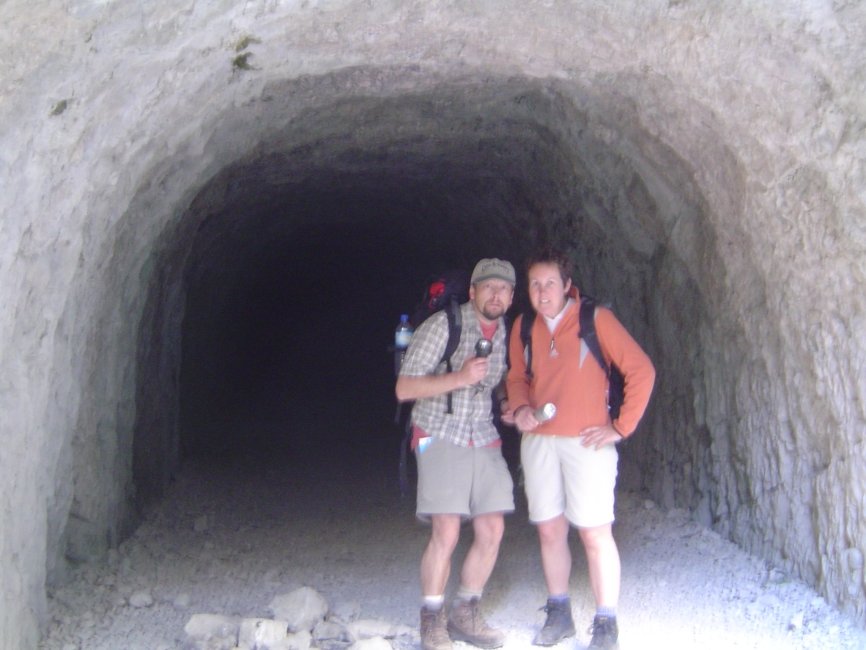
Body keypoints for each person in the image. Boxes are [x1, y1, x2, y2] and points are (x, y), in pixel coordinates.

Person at [504, 248, 655, 649]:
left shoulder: (594, 320)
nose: (542, 291)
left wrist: (620, 428)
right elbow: (517, 377)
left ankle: (606, 624)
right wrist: (520, 409)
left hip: (587, 443)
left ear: (567, 285)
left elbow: (641, 369)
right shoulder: (523, 327)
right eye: (535, 284)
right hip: (539, 442)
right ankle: (559, 613)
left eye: (550, 282)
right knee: (550, 530)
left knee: (594, 532)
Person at [396, 258, 517, 650]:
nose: (495, 295)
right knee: (446, 529)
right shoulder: (442, 327)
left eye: (503, 289)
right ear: (472, 292)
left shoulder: (507, 335)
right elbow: (404, 389)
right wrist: (459, 378)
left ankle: (465, 611)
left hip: (481, 433)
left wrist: (509, 401)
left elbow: (498, 382)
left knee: (492, 529)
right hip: (437, 430)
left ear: (512, 297)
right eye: (488, 287)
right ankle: (432, 619)